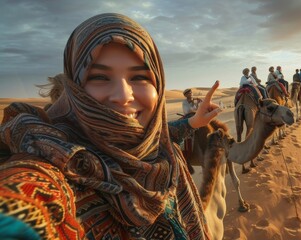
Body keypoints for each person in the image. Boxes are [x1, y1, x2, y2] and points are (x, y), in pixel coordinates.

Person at [0, 13, 220, 240]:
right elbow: (23, 204)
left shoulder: (159, 147)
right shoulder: (52, 163)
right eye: (99, 77)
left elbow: (167, 132)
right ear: (73, 93)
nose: (123, 96)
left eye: (140, 77)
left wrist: (194, 121)